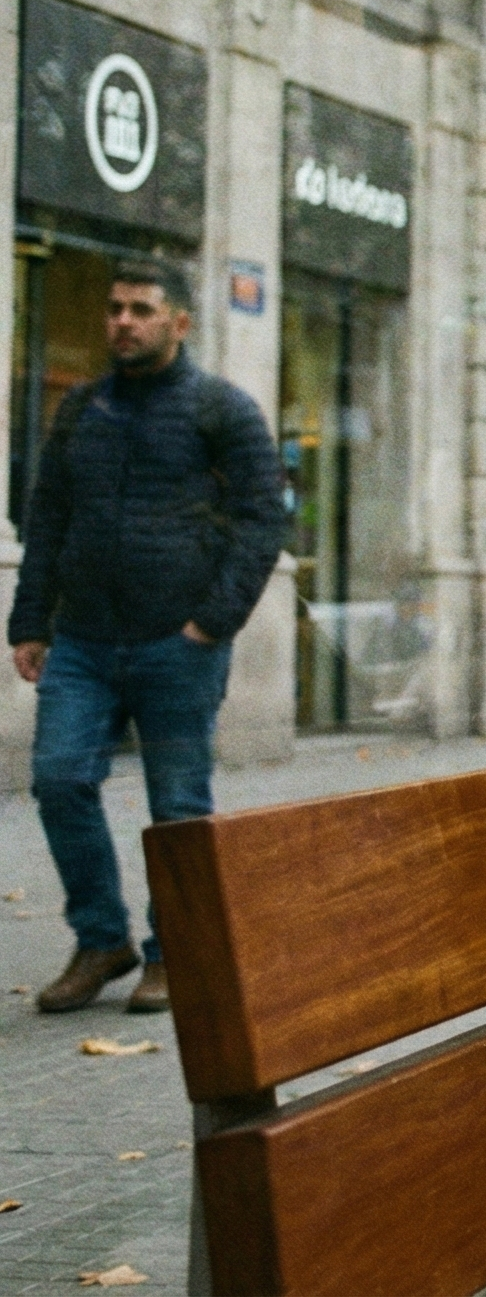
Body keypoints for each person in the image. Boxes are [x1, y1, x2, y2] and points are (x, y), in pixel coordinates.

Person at [13, 266, 286, 1014]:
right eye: (113, 309)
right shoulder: (82, 408)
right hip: (85, 642)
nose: (123, 322)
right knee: (60, 779)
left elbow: (265, 518)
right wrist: (30, 622)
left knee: (178, 808)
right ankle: (102, 940)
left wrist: (212, 621)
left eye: (141, 310)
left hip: (179, 645)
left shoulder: (219, 409)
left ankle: (174, 954)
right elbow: (48, 518)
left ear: (180, 324)